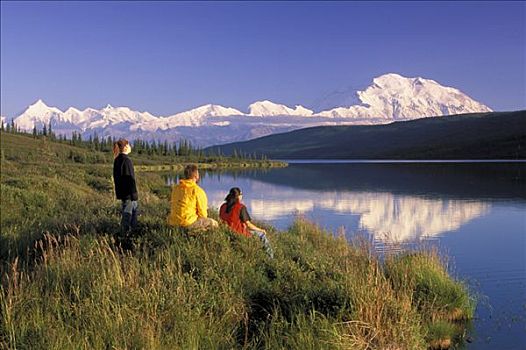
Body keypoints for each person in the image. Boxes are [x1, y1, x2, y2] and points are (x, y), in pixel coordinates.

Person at [219, 187, 274, 258]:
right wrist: (261, 230)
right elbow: (248, 224)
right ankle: (270, 258)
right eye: (241, 194)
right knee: (262, 235)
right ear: (238, 196)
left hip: (226, 233)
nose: (242, 196)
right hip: (239, 233)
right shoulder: (240, 207)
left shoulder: (223, 206)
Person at [167, 164, 218, 231]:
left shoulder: (175, 188)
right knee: (213, 223)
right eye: (198, 174)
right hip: (187, 224)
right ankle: (196, 233)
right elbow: (203, 215)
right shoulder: (198, 191)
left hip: (173, 223)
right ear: (196, 176)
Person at [113, 139, 139, 239]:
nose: (130, 147)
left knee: (127, 216)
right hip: (129, 194)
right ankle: (125, 238)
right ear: (125, 147)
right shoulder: (126, 160)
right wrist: (134, 195)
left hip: (123, 193)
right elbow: (130, 180)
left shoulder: (117, 159)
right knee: (129, 217)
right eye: (129, 145)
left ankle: (128, 236)